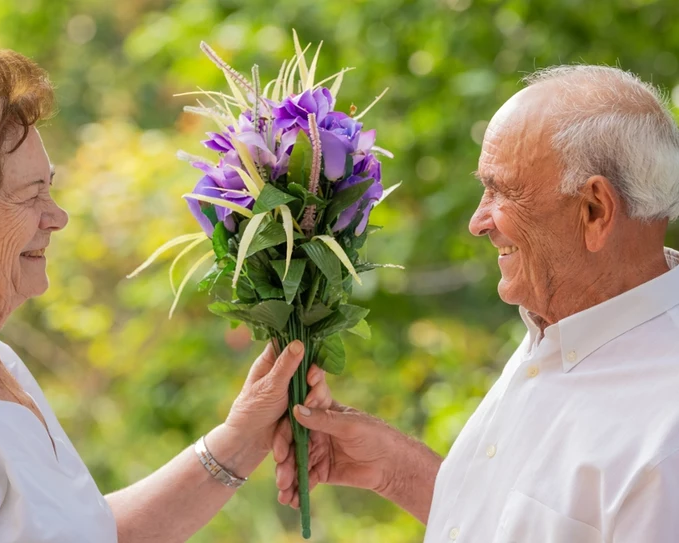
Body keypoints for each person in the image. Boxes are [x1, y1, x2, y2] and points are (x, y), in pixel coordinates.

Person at [0, 38, 330, 543]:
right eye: (29, 195)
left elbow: (91, 533)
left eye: (51, 186)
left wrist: (243, 438)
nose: (57, 217)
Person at [275, 65, 679, 542]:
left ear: (594, 211)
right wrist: (396, 469)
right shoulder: (567, 324)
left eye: (502, 191)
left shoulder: (664, 438)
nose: (477, 221)